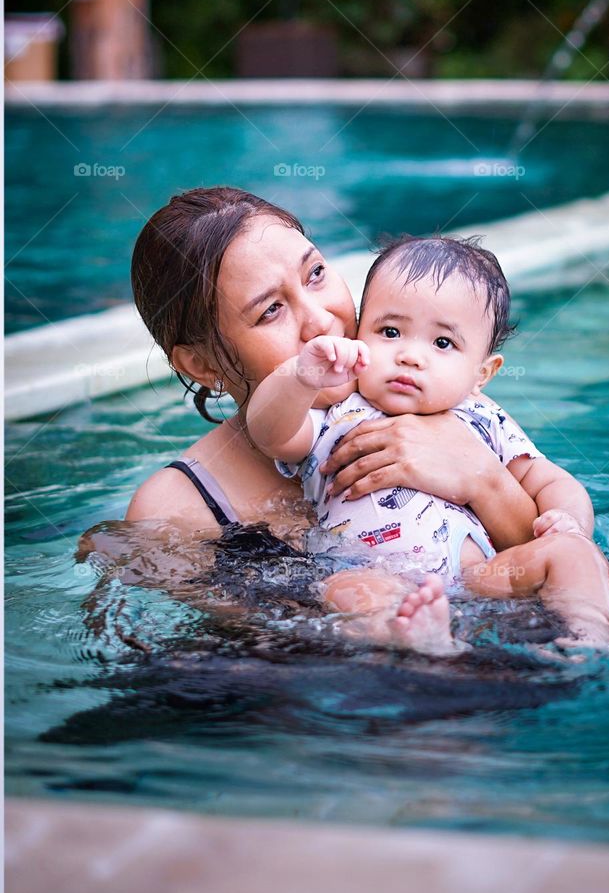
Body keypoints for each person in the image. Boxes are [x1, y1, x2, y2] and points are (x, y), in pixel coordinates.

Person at [79, 187, 570, 649]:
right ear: (203, 365)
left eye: (315, 274)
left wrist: (482, 479)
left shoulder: (434, 396)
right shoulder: (182, 507)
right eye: (271, 310)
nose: (320, 319)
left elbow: (553, 564)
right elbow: (277, 658)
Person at [247, 235, 609, 652]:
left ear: (482, 373)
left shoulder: (482, 415)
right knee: (345, 589)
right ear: (358, 330)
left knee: (574, 555)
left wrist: (567, 521)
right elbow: (269, 433)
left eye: (442, 343)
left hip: (481, 574)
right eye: (389, 331)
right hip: (376, 573)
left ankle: (589, 637)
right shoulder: (336, 412)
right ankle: (415, 636)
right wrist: (299, 378)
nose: (410, 355)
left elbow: (552, 481)